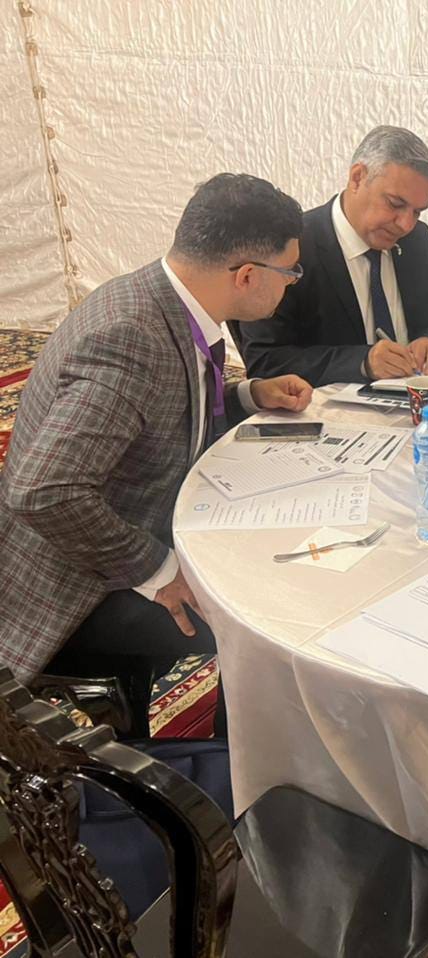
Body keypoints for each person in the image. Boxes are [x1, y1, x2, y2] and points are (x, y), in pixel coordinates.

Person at [0, 173, 313, 731]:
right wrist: (159, 570)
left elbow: (164, 408)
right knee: (262, 621)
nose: (291, 285)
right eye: (290, 273)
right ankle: (233, 763)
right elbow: (42, 490)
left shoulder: (161, 296)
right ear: (246, 275)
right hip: (77, 582)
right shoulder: (131, 336)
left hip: (123, 529)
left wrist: (246, 395)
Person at [238, 126, 428, 386]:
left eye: (417, 212)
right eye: (395, 204)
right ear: (357, 178)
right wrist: (362, 363)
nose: (406, 224)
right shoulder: (292, 246)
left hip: (414, 400)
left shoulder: (416, 239)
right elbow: (264, 361)